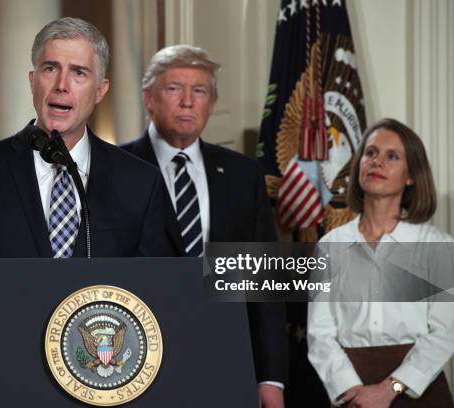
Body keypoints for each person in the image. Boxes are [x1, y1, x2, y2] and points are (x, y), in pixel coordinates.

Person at [0, 17, 173, 347]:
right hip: (5, 363)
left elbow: (161, 288)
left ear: (100, 91)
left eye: (79, 72)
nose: (62, 85)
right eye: (50, 69)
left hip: (101, 368)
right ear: (32, 80)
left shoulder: (139, 180)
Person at [122, 45, 287, 408]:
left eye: (199, 91)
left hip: (226, 356)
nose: (187, 102)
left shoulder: (243, 175)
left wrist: (270, 378)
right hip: (138, 358)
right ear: (148, 98)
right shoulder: (114, 169)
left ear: (211, 103)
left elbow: (264, 284)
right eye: (174, 89)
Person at [307, 118, 454, 407]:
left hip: (419, 391)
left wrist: (390, 389)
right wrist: (352, 391)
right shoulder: (329, 246)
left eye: (392, 156)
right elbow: (319, 334)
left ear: (411, 176)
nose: (377, 162)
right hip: (352, 392)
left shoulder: (436, 246)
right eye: (371, 153)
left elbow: (446, 332)